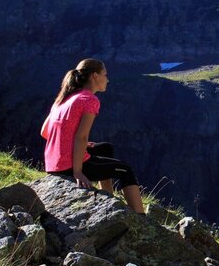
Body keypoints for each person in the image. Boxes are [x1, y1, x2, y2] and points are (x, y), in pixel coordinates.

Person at [41, 58, 144, 213]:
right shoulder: (89, 99)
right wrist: (77, 172)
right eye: (105, 74)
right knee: (125, 170)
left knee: (105, 148)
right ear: (95, 76)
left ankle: (108, 197)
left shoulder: (64, 98)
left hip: (53, 164)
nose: (107, 79)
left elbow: (44, 132)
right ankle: (140, 217)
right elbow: (81, 137)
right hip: (68, 166)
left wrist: (70, 142)